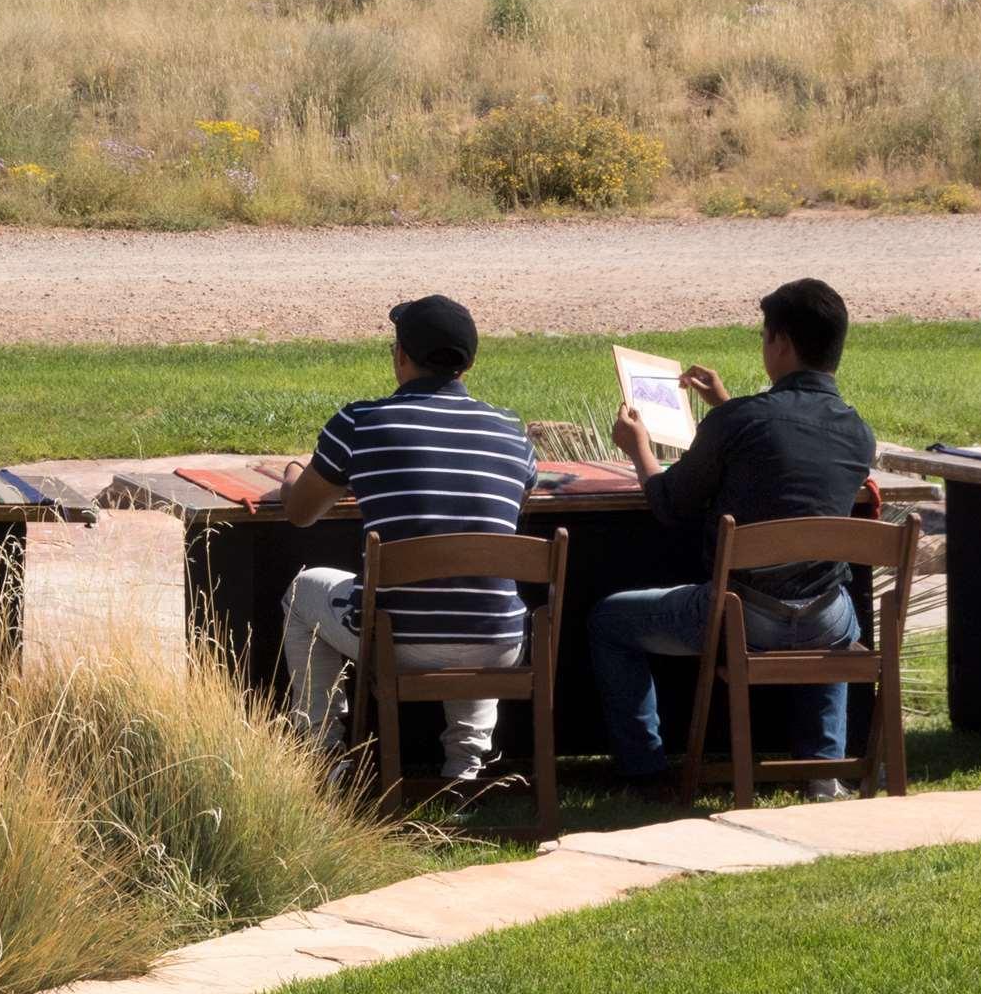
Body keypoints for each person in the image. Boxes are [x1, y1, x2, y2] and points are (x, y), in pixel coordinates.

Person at [590, 278, 878, 795]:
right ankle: (822, 771)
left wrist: (638, 448)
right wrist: (725, 405)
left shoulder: (738, 422)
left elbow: (669, 502)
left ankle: (645, 769)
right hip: (823, 620)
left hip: (742, 620)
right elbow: (785, 465)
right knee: (829, 602)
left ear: (782, 343)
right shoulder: (858, 432)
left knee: (608, 620)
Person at [271, 294, 540, 789]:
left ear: (400, 355)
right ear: (470, 364)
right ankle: (468, 768)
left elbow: (301, 512)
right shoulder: (513, 433)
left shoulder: (359, 422)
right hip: (501, 642)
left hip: (399, 643)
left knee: (303, 593)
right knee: (469, 592)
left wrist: (293, 472)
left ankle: (324, 759)